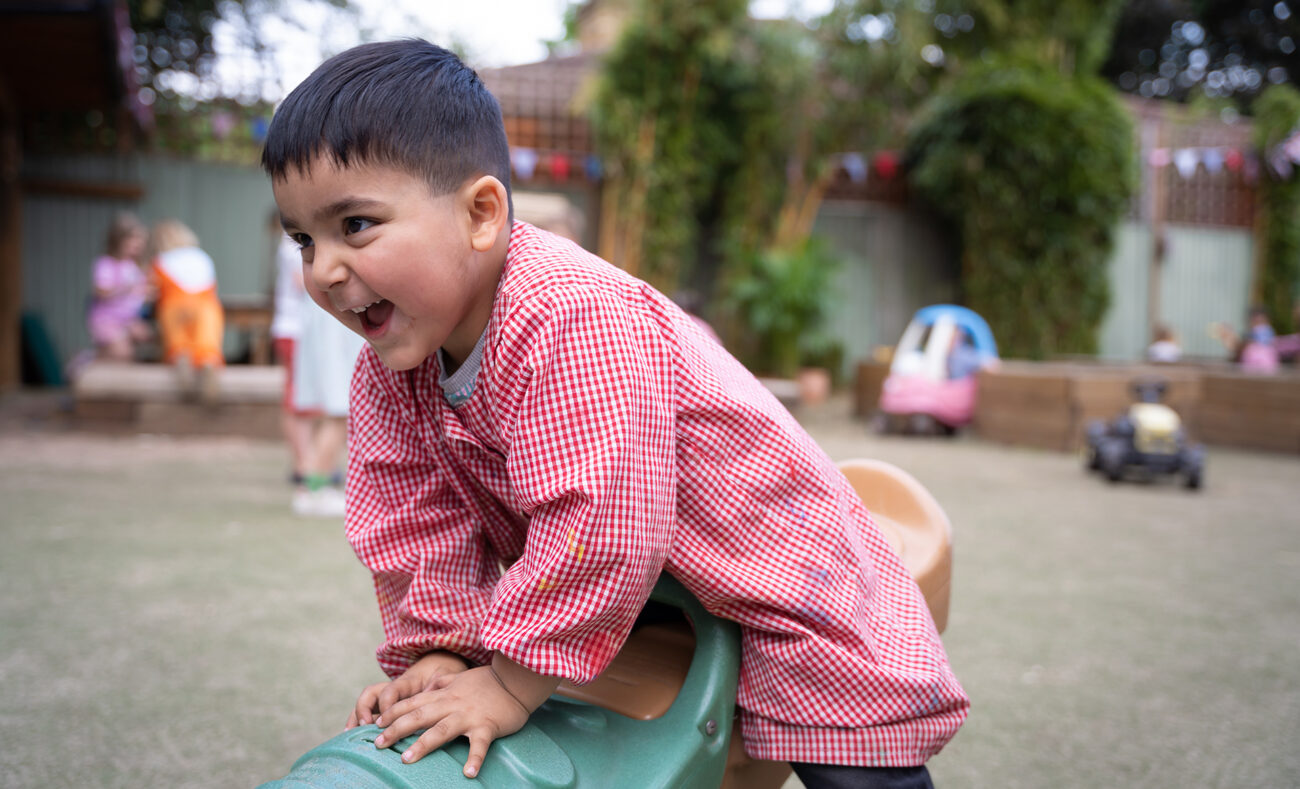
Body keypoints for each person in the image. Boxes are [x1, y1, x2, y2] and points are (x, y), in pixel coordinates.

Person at [263, 40, 967, 788]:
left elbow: (601, 518)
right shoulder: (390, 369)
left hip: (770, 567)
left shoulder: (569, 315)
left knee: (847, 751)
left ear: (481, 213)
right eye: (304, 239)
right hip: (643, 599)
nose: (325, 269)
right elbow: (410, 521)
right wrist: (442, 651)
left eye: (357, 226)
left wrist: (506, 683)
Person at [289, 241, 365, 517]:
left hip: (325, 339)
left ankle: (314, 486)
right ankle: (314, 490)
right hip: (334, 343)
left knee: (336, 417)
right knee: (338, 416)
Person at [149, 219, 225, 401]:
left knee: (178, 340)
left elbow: (153, 291)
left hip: (173, 304)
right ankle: (208, 362)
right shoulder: (201, 257)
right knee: (206, 340)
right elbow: (213, 287)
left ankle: (181, 358)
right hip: (205, 305)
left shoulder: (160, 261)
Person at [87, 212, 152, 361]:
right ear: (118, 240)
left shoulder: (134, 267)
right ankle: (90, 360)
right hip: (107, 320)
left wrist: (147, 293)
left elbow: (139, 293)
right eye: (133, 239)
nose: (138, 243)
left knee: (149, 337)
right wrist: (126, 288)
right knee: (122, 353)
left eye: (140, 240)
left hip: (129, 319)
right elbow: (101, 291)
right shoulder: (107, 264)